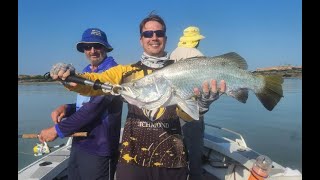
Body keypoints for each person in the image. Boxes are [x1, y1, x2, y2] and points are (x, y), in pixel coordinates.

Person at [49, 13, 226, 180]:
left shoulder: (181, 71)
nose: (154, 37)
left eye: (159, 33)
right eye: (148, 33)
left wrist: (204, 102)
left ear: (165, 38)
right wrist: (70, 76)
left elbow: (186, 116)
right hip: (131, 161)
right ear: (141, 40)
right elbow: (96, 83)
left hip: (172, 160)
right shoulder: (126, 71)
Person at [38, 28, 123, 180]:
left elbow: (93, 109)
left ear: (105, 47)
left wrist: (57, 130)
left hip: (99, 148)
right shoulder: (86, 70)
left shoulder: (113, 71)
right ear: (83, 50)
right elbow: (85, 103)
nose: (92, 51)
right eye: (87, 47)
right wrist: (67, 108)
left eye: (97, 46)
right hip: (79, 143)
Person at [170, 26, 222, 180]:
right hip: (191, 110)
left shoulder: (173, 53)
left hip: (172, 108)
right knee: (194, 150)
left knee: (176, 148)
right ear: (196, 40)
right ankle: (195, 175)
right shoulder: (198, 55)